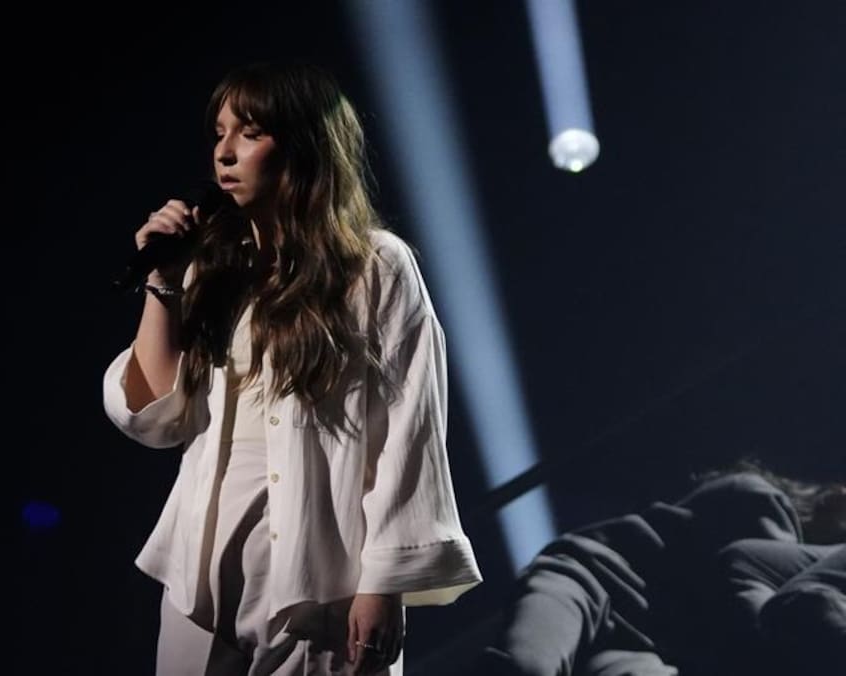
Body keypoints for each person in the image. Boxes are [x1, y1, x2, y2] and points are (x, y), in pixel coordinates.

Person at [102, 62, 482, 675]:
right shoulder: (213, 270)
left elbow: (409, 428)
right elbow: (156, 417)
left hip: (322, 584)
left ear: (305, 145)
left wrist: (383, 582)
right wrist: (162, 284)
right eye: (219, 133)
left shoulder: (376, 267)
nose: (224, 152)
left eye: (249, 133)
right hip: (201, 580)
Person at [475, 459, 845, 676]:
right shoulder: (760, 499)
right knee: (524, 666)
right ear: (834, 500)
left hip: (647, 643)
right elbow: (745, 577)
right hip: (592, 584)